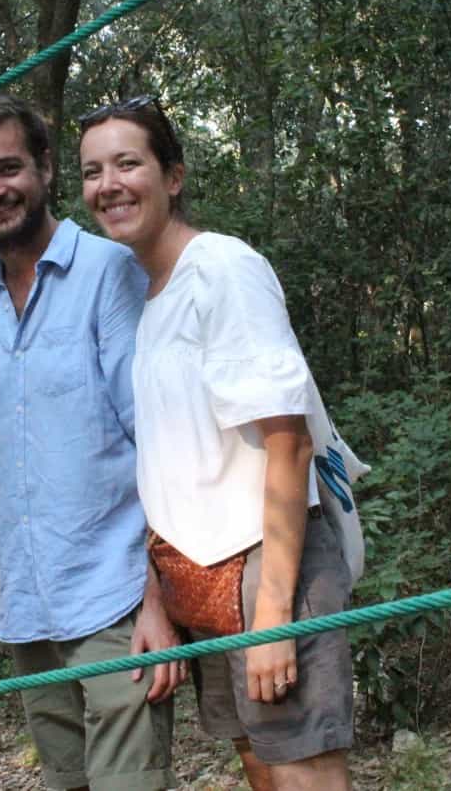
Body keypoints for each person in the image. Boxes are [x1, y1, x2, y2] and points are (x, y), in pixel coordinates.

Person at [79, 95, 354, 791]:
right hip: (197, 574)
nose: (107, 184)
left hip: (267, 563)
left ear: (173, 176)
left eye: (127, 163)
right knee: (262, 768)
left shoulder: (222, 269)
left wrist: (273, 619)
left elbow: (286, 442)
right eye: (91, 171)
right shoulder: (145, 296)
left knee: (304, 774)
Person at [0, 94, 180, 791]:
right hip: (30, 611)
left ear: (43, 168)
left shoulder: (109, 270)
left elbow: (157, 441)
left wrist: (157, 602)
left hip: (118, 601)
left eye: (9, 168)